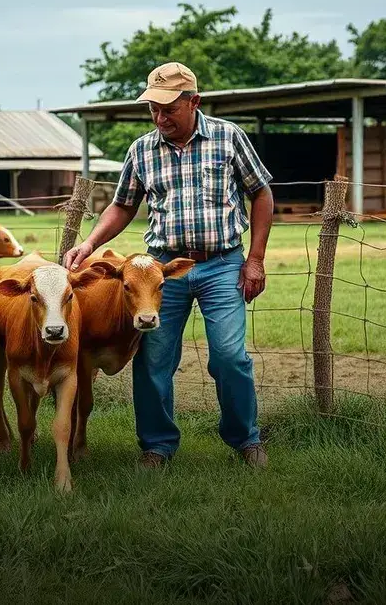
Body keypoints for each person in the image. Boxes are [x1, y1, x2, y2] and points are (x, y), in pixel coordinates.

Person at [63, 61, 274, 470]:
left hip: (221, 264)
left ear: (193, 101)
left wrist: (256, 260)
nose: (160, 118)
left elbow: (261, 195)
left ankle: (245, 440)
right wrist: (89, 244)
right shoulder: (141, 149)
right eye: (154, 110)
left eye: (169, 110)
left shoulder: (229, 138)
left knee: (230, 356)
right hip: (159, 271)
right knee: (154, 358)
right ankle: (157, 447)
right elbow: (123, 205)